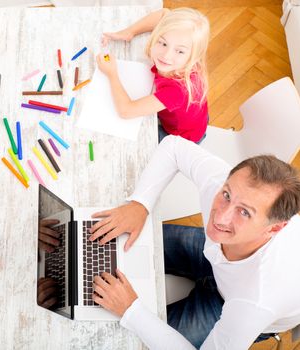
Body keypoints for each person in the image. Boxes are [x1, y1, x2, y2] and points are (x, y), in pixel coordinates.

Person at [88, 135, 300, 349]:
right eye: (226, 195)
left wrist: (131, 310)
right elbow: (173, 146)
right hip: (215, 254)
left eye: (244, 212)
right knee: (109, 240)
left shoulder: (257, 301)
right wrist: (139, 205)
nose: (220, 217)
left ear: (274, 228)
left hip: (229, 306)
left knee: (126, 339)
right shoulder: (229, 191)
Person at [97, 8, 210, 144]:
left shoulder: (176, 91)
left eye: (179, 51)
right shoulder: (185, 57)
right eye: (163, 43)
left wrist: (112, 73)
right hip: (193, 119)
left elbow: (126, 111)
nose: (166, 55)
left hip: (181, 138)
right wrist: (129, 32)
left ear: (194, 56)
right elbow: (163, 14)